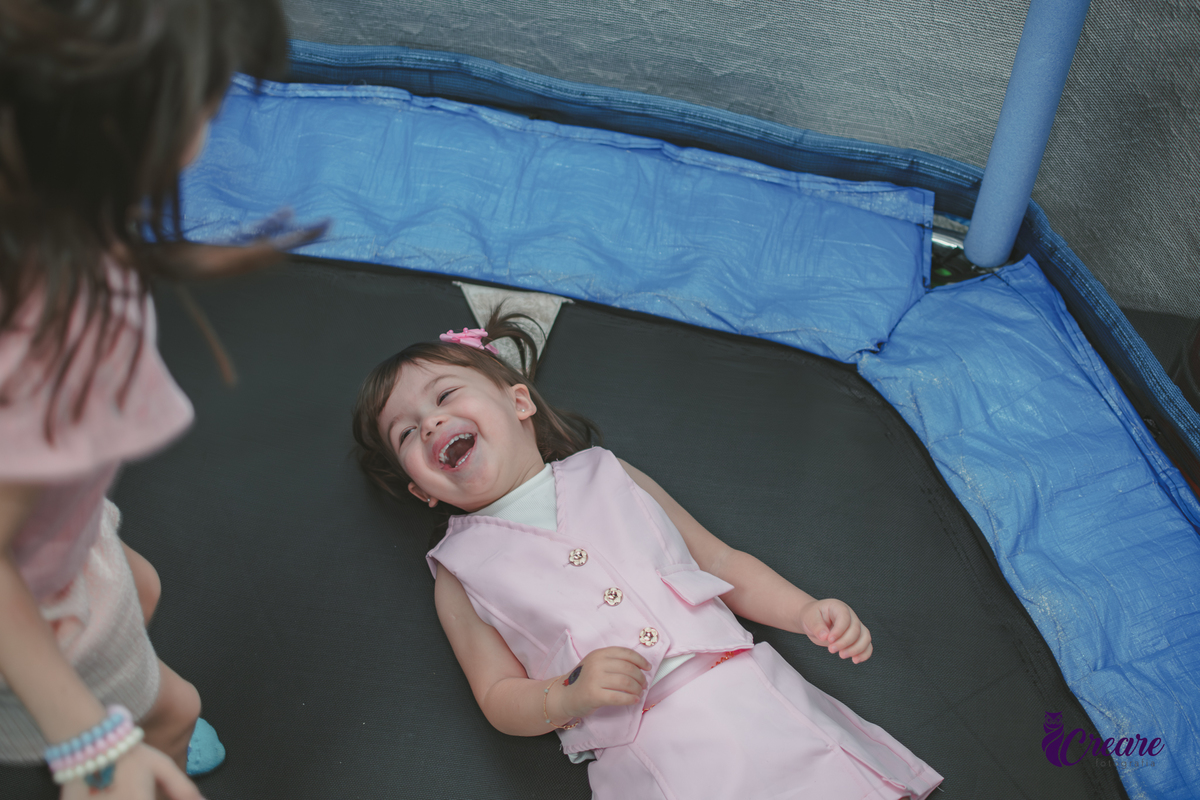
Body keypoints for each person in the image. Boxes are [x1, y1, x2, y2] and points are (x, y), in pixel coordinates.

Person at [352, 312, 945, 799]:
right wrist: (567, 693)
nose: (429, 423)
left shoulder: (607, 472)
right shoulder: (458, 570)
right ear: (421, 489)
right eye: (405, 433)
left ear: (520, 403)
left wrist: (804, 611)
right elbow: (497, 696)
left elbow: (720, 561)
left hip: (748, 694)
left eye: (446, 395)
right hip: (647, 753)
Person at [0, 1, 320, 797]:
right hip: (31, 608)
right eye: (211, 96)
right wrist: (90, 744)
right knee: (177, 708)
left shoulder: (45, 216)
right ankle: (148, 736)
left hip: (58, 539)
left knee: (141, 585)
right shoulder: (62, 330)